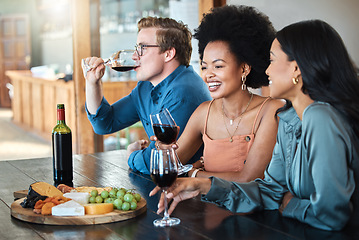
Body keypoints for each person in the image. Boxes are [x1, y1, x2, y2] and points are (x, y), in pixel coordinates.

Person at [150, 19, 359, 231]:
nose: (267, 71)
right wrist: (203, 186)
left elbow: (331, 216)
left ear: (296, 69)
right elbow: (270, 192)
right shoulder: (288, 118)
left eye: (272, 61)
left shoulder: (320, 116)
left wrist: (290, 205)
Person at [155, 5, 283, 182]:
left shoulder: (271, 110)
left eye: (218, 66)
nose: (208, 75)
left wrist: (195, 173)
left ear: (244, 68)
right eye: (204, 67)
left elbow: (249, 179)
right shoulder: (203, 113)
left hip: (252, 209)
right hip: (203, 208)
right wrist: (165, 149)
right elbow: (171, 166)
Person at [82, 17, 211, 174]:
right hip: (161, 184)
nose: (135, 56)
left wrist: (131, 155)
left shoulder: (184, 92)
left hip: (190, 189)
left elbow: (159, 162)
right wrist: (92, 83)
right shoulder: (145, 87)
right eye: (136, 48)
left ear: (168, 54)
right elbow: (104, 124)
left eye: (142, 48)